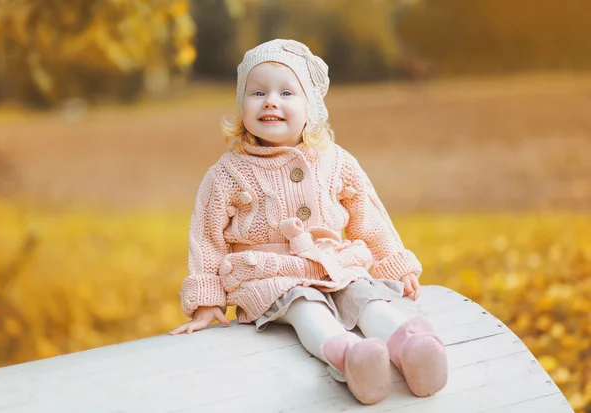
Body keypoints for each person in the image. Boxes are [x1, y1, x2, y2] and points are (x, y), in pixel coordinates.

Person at [169, 39, 448, 405]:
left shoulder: (334, 160)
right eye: (257, 92)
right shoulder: (227, 174)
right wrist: (208, 300)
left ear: (311, 107)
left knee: (366, 296)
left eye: (286, 91)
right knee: (305, 307)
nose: (270, 101)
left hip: (333, 262)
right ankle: (349, 357)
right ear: (242, 106)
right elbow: (207, 238)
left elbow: (368, 216)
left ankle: (410, 346)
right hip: (270, 275)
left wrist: (393, 263)